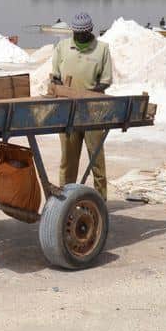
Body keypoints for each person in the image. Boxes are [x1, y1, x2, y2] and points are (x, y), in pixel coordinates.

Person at [50, 12, 113, 199]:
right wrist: (62, 89)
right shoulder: (62, 47)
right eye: (77, 34)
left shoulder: (102, 49)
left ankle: (101, 199)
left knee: (97, 160)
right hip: (67, 111)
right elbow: (55, 77)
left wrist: (90, 94)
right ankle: (65, 199)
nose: (79, 37)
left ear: (90, 31)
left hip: (93, 112)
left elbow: (106, 80)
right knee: (68, 160)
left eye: (83, 34)